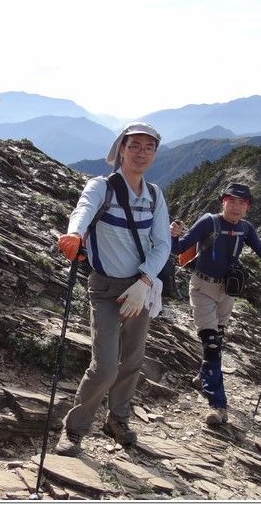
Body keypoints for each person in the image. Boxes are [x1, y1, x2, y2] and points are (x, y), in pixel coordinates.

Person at [55, 122, 170, 457]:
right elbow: (83, 210)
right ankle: (74, 429)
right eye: (134, 145)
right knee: (105, 366)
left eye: (149, 148)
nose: (141, 153)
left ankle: (117, 421)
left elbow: (163, 245)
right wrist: (74, 234)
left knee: (132, 361)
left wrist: (145, 281)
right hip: (105, 289)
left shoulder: (155, 195)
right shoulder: (101, 187)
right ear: (121, 148)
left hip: (141, 289)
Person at [170, 183, 261, 426]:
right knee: (211, 343)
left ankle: (203, 378)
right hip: (202, 288)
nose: (236, 207)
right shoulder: (208, 222)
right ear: (223, 202)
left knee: (217, 340)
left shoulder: (246, 229)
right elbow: (178, 249)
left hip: (228, 292)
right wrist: (173, 235)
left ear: (247, 207)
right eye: (231, 202)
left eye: (241, 203)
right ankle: (217, 404)